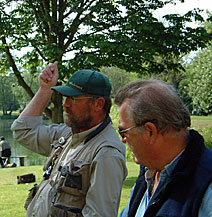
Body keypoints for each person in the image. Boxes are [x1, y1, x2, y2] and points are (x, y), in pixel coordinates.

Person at [11, 61, 127, 217]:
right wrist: (45, 90)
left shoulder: (106, 153)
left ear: (98, 104)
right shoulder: (67, 134)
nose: (65, 105)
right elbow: (23, 131)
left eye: (73, 99)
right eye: (66, 98)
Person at [115, 79, 212, 217]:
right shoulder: (148, 174)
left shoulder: (207, 185)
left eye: (123, 132)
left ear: (150, 131)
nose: (123, 140)